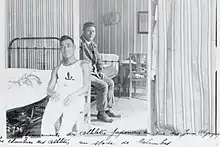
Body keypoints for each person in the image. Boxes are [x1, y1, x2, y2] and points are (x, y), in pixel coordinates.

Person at [41, 35, 91, 136]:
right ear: (60, 50)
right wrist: (52, 93)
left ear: (74, 47)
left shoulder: (83, 65)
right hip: (59, 98)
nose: (65, 49)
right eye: (62, 47)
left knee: (64, 130)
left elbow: (86, 87)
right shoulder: (57, 68)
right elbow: (49, 89)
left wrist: (73, 95)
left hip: (75, 98)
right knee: (46, 124)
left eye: (68, 46)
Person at [79, 22, 121, 123]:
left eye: (93, 31)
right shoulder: (80, 44)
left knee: (110, 83)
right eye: (89, 31)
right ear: (83, 31)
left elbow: (98, 59)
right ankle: (101, 113)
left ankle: (108, 108)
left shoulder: (93, 45)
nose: (91, 33)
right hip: (85, 74)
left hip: (94, 72)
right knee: (103, 86)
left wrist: (100, 70)